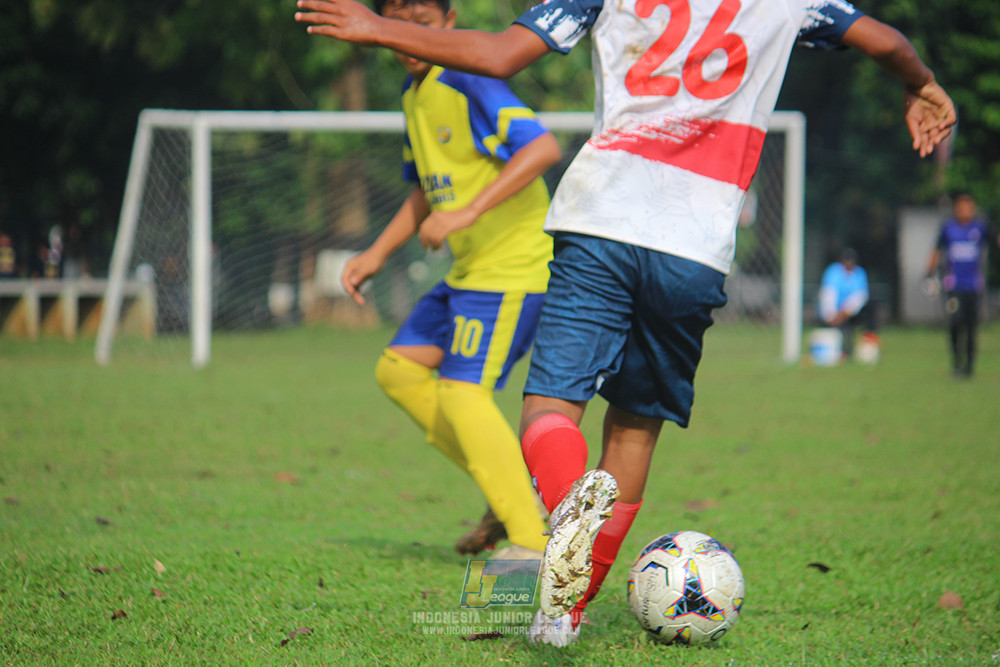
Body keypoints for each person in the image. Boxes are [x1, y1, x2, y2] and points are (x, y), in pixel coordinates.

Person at [296, 0, 956, 645]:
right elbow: (887, 40)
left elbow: (500, 53)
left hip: (600, 221)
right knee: (635, 432)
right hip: (695, 245)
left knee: (550, 408)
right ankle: (568, 606)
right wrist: (920, 83)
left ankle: (562, 535)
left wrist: (378, 28)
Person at [336, 0, 562, 560]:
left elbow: (542, 147)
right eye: (398, 24)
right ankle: (509, 490)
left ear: (450, 23)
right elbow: (425, 189)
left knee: (464, 393)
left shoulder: (467, 79)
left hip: (516, 265)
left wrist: (467, 212)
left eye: (423, 25)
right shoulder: (415, 97)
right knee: (399, 371)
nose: (409, 39)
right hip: (469, 271)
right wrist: (376, 253)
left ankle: (535, 546)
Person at [925, 193, 999, 377]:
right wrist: (929, 273)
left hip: (974, 285)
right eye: (962, 207)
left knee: (972, 326)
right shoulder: (949, 228)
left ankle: (970, 366)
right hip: (954, 285)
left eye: (969, 207)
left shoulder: (980, 227)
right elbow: (936, 249)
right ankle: (957, 364)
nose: (965, 210)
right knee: (955, 323)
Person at [818, 248, 878, 360]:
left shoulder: (859, 273)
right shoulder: (832, 272)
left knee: (871, 307)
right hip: (834, 312)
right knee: (843, 326)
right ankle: (844, 351)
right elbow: (828, 295)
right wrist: (831, 315)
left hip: (850, 312)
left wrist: (845, 312)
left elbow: (860, 296)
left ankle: (869, 342)